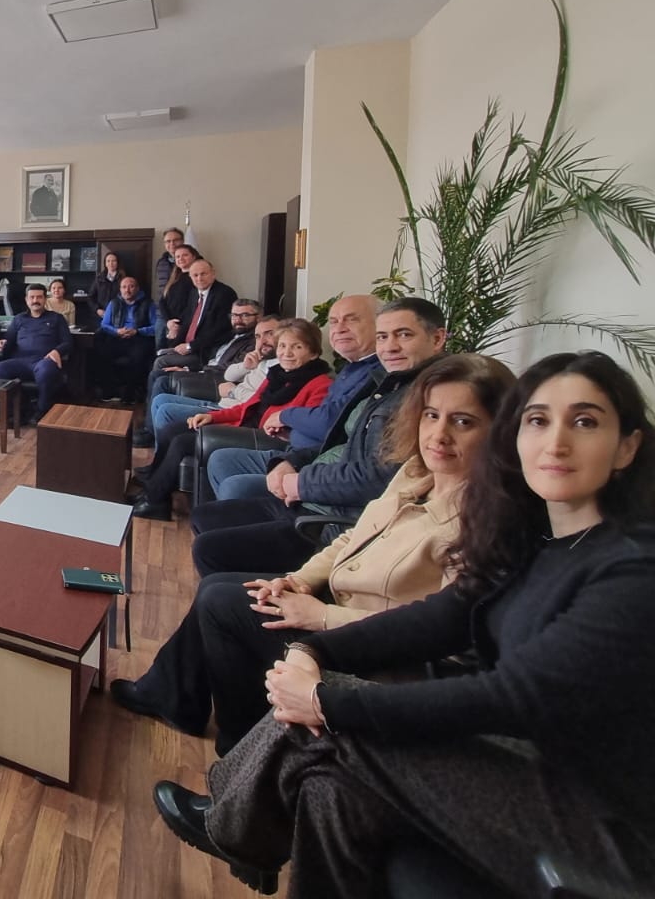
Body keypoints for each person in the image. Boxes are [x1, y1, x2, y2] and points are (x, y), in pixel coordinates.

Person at [156, 351, 655, 899]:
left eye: (584, 422)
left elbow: (517, 697)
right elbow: (446, 615)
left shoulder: (632, 568)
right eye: (538, 420)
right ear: (515, 435)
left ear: (627, 446)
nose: (556, 443)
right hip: (526, 762)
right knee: (329, 788)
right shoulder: (537, 539)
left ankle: (228, 825)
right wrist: (317, 652)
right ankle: (236, 826)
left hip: (603, 820)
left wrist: (326, 700)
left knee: (330, 727)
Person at [116, 353, 513, 759]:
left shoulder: (486, 522)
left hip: (375, 649)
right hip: (336, 601)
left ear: (500, 429)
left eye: (463, 422)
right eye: (431, 415)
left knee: (222, 603)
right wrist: (299, 580)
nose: (439, 435)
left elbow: (439, 636)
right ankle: (186, 706)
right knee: (221, 588)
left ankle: (237, 751)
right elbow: (354, 537)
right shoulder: (417, 472)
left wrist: (320, 615)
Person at [191, 299, 448, 577]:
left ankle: (254, 596)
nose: (390, 347)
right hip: (312, 492)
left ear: (437, 339)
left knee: (210, 549)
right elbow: (337, 442)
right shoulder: (384, 383)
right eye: (383, 337)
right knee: (204, 517)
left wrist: (301, 482)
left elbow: (376, 479)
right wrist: (290, 462)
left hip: (333, 521)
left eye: (404, 335)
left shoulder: (427, 399)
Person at [131, 320, 332, 522]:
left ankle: (155, 501)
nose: (286, 353)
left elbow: (306, 427)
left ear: (313, 352)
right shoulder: (277, 374)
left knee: (182, 442)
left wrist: (284, 425)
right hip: (245, 427)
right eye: (282, 346)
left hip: (264, 439)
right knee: (172, 429)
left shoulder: (321, 384)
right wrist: (212, 416)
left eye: (297, 347)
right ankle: (153, 489)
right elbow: (246, 408)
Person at [199, 294, 382, 498]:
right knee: (220, 460)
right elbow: (250, 403)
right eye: (334, 321)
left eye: (351, 319)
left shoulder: (370, 375)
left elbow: (328, 423)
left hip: (313, 463)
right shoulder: (349, 369)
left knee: (234, 485)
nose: (339, 328)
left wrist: (285, 417)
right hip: (295, 449)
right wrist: (214, 415)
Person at [144, 314, 280, 456]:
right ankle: (157, 450)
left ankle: (158, 455)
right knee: (161, 399)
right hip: (223, 401)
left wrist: (233, 391)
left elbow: (257, 401)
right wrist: (246, 366)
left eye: (269, 334)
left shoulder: (278, 368)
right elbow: (229, 375)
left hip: (229, 411)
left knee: (166, 409)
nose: (262, 341)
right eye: (258, 336)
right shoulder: (262, 360)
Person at [140, 291, 261, 427]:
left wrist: (192, 371)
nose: (238, 320)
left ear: (258, 317)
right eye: (234, 315)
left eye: (245, 315)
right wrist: (187, 368)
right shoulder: (230, 334)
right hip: (206, 371)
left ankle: (149, 429)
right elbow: (211, 359)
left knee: (162, 382)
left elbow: (230, 371)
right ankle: (148, 424)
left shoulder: (254, 342)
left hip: (217, 380)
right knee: (158, 373)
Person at [0, 283, 72, 422]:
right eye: (32, 297)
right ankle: (18, 410)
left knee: (45, 370)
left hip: (44, 360)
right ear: (26, 300)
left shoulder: (57, 318)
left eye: (39, 297)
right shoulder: (19, 319)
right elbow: (8, 341)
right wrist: (1, 344)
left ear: (45, 299)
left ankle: (42, 411)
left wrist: (57, 351)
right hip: (21, 361)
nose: (35, 300)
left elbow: (68, 342)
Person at [94, 275, 155, 401]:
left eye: (131, 287)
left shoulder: (148, 303)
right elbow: (104, 325)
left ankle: (130, 394)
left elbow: (156, 327)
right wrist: (117, 331)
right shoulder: (114, 303)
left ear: (137, 288)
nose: (127, 290)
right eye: (124, 287)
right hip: (118, 337)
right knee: (102, 354)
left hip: (139, 338)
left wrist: (137, 331)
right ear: (120, 289)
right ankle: (110, 392)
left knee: (138, 358)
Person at [155, 243, 203, 348]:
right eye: (177, 256)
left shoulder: (197, 280)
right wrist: (168, 321)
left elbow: (193, 306)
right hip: (169, 324)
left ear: (193, 257)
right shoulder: (173, 278)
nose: (180, 259)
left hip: (184, 327)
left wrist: (177, 326)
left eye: (185, 255)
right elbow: (162, 301)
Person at [153, 228, 185, 298]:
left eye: (176, 240)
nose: (172, 243)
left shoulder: (192, 261)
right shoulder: (161, 263)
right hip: (164, 302)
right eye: (168, 241)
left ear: (182, 241)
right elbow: (160, 288)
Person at [90, 251, 124, 318]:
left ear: (117, 263)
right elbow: (90, 297)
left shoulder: (123, 278)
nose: (111, 263)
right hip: (102, 315)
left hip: (119, 315)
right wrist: (97, 309)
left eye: (113, 261)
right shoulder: (99, 278)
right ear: (105, 264)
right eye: (108, 261)